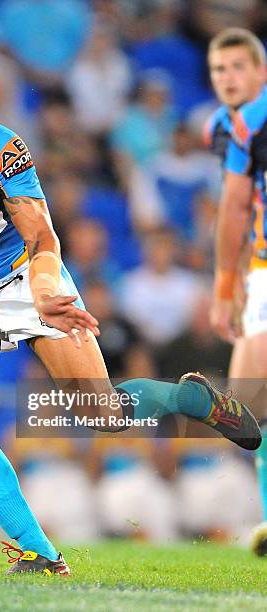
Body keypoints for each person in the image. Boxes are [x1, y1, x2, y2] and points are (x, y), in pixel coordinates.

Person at [0, 24, 261, 574]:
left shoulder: (0, 145)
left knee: (105, 414)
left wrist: (44, 287)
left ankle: (192, 401)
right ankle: (40, 553)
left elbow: (41, 236)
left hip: (23, 275)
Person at [206, 27, 267, 555]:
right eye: (218, 70)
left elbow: (234, 207)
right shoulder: (228, 128)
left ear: (260, 72)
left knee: (246, 402)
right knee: (250, 403)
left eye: (237, 68)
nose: (228, 79)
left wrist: (225, 287)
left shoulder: (248, 123)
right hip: (263, 268)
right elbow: (238, 210)